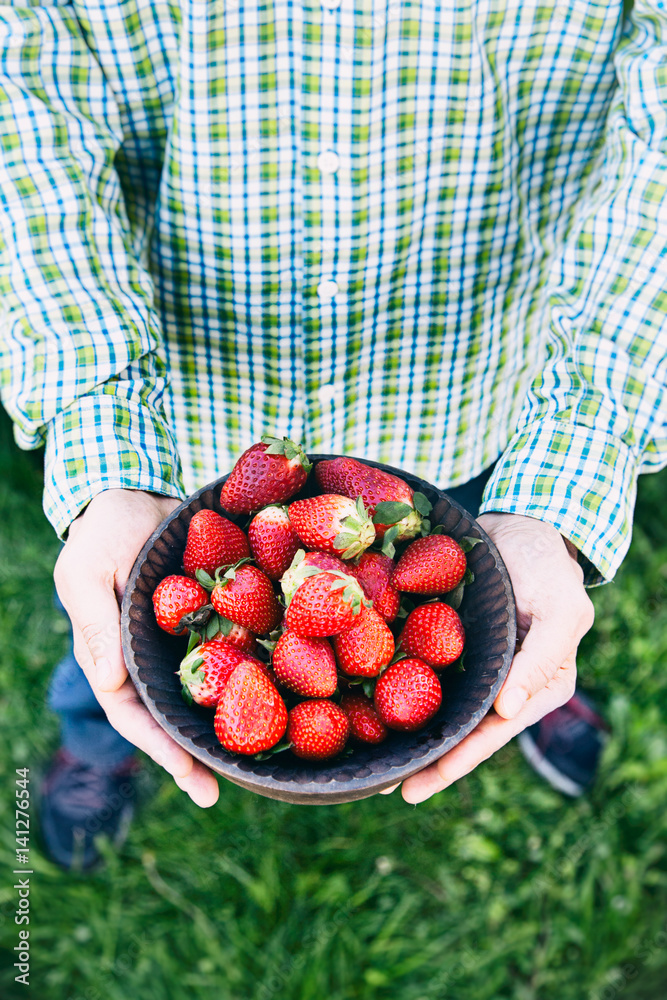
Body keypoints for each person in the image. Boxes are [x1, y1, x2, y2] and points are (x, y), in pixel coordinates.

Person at [0, 0, 664, 867]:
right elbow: (22, 85)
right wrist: (103, 435)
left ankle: (517, 668)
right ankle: (95, 747)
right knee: (117, 626)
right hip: (186, 418)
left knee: (478, 585)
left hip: (462, 382)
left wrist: (567, 469)